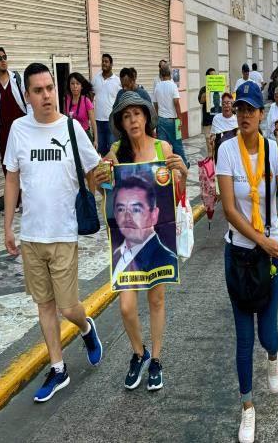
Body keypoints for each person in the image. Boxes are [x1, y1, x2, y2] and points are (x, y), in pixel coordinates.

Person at [3, 63, 103, 402]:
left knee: (68, 308)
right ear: (28, 96)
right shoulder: (18, 129)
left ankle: (87, 328)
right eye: (39, 90)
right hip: (32, 234)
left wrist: (111, 175)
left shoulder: (72, 128)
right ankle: (58, 369)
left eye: (50, 88)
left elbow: (95, 169)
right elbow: (12, 178)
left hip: (63, 233)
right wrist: (7, 227)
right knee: (44, 305)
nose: (47, 95)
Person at [216, 82, 278, 443]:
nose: (244, 115)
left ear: (262, 114)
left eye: (251, 109)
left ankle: (275, 355)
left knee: (268, 335)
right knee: (243, 340)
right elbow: (229, 209)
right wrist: (263, 241)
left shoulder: (274, 151)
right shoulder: (226, 151)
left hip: (271, 258)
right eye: (240, 108)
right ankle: (247, 408)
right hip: (241, 255)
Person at [103, 92, 187, 391]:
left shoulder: (162, 148)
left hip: (157, 236)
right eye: (126, 116)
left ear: (146, 117)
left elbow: (177, 191)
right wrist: (101, 174)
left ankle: (157, 359)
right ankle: (139, 352)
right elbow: (100, 186)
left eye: (137, 113)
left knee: (156, 298)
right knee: (126, 306)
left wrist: (182, 172)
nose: (133, 120)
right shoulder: (116, 153)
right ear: (121, 123)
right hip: (125, 243)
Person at [0, 47, 30, 208]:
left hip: (21, 127)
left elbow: (28, 101)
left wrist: (33, 122)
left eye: (5, 57)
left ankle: (28, 198)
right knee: (7, 164)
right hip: (2, 131)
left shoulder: (17, 78)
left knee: (25, 161)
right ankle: (16, 200)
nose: (3, 61)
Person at [153, 65, 189, 167]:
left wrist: (157, 118)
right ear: (170, 74)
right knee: (177, 145)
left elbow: (155, 105)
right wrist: (180, 119)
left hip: (160, 121)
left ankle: (163, 166)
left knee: (162, 146)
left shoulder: (157, 86)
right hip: (173, 121)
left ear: (160, 75)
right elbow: (176, 103)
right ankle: (184, 165)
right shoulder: (173, 85)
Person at [91, 53, 121, 155]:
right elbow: (91, 97)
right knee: (100, 149)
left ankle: (113, 170)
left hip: (111, 121)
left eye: (106, 62)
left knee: (112, 149)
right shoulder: (95, 79)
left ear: (111, 64)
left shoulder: (117, 81)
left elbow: (120, 100)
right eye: (103, 61)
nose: (104, 63)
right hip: (98, 121)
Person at [64, 72, 96, 148]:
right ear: (69, 85)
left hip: (85, 135)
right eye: (72, 83)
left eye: (77, 84)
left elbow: (93, 122)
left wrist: (95, 140)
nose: (75, 86)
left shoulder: (86, 101)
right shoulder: (66, 100)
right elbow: (65, 120)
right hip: (71, 136)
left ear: (81, 86)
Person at [197, 67, 217, 138]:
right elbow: (201, 101)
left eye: (215, 76)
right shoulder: (203, 89)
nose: (214, 78)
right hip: (208, 121)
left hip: (218, 120)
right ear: (208, 78)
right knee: (209, 142)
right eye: (212, 77)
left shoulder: (219, 88)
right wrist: (209, 88)